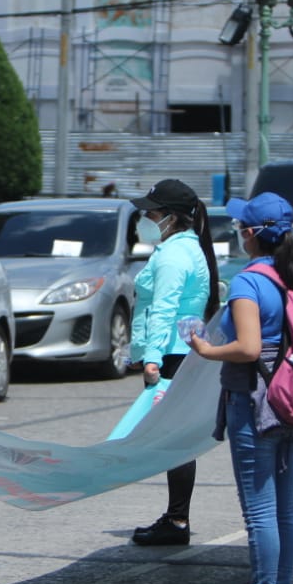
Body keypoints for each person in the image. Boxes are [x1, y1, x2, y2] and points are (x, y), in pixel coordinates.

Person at [189, 192, 293, 584]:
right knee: (282, 510)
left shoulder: (250, 282)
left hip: (254, 402)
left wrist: (207, 349)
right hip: (291, 403)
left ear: (251, 234)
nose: (237, 232)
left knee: (260, 512)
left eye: (240, 226)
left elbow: (248, 347)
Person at [126, 179, 220, 546]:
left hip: (169, 356)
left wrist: (151, 360)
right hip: (178, 352)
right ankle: (176, 516)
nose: (145, 218)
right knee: (173, 439)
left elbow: (163, 309)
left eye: (151, 212)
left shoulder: (174, 256)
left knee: (172, 440)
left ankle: (177, 519)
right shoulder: (186, 248)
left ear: (170, 217)